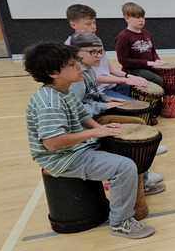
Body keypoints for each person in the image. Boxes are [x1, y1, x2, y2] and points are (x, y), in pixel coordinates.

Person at [23, 42, 156, 239]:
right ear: (53, 72)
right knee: (125, 166)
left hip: (77, 148)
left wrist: (100, 128)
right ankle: (121, 222)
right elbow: (52, 143)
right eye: (71, 64)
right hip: (63, 158)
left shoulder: (63, 90)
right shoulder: (49, 103)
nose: (79, 67)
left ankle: (139, 187)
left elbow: (82, 116)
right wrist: (94, 134)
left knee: (126, 143)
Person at [68, 31, 165, 194]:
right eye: (93, 52)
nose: (99, 56)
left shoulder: (89, 69)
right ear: (76, 53)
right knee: (134, 127)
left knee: (138, 122)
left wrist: (106, 100)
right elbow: (77, 110)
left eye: (101, 51)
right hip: (87, 121)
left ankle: (141, 177)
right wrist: (103, 107)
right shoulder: (76, 78)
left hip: (96, 112)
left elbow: (92, 94)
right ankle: (138, 181)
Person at [114, 1, 175, 109]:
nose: (141, 20)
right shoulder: (123, 37)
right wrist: (147, 63)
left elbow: (153, 51)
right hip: (133, 69)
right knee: (157, 80)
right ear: (127, 18)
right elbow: (123, 60)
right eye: (137, 17)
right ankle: (157, 106)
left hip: (150, 66)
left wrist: (157, 60)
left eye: (143, 17)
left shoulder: (146, 33)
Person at [63, 4, 149, 99]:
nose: (93, 27)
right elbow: (92, 78)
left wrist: (129, 76)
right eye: (88, 24)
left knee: (145, 91)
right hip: (98, 90)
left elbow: (111, 70)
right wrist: (124, 80)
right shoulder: (71, 47)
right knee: (134, 106)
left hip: (111, 84)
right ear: (73, 25)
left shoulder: (96, 41)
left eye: (94, 22)